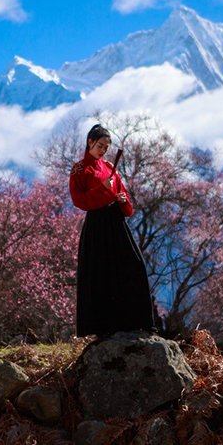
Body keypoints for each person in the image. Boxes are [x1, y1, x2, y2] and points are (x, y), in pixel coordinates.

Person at [69, 124, 157, 338]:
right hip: (97, 226)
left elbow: (126, 203)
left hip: (116, 224)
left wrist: (122, 199)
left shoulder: (109, 166)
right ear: (90, 142)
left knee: (134, 266)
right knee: (101, 274)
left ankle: (138, 322)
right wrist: (104, 190)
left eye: (106, 147)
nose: (103, 150)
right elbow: (79, 201)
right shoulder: (79, 169)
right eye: (100, 145)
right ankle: (103, 328)